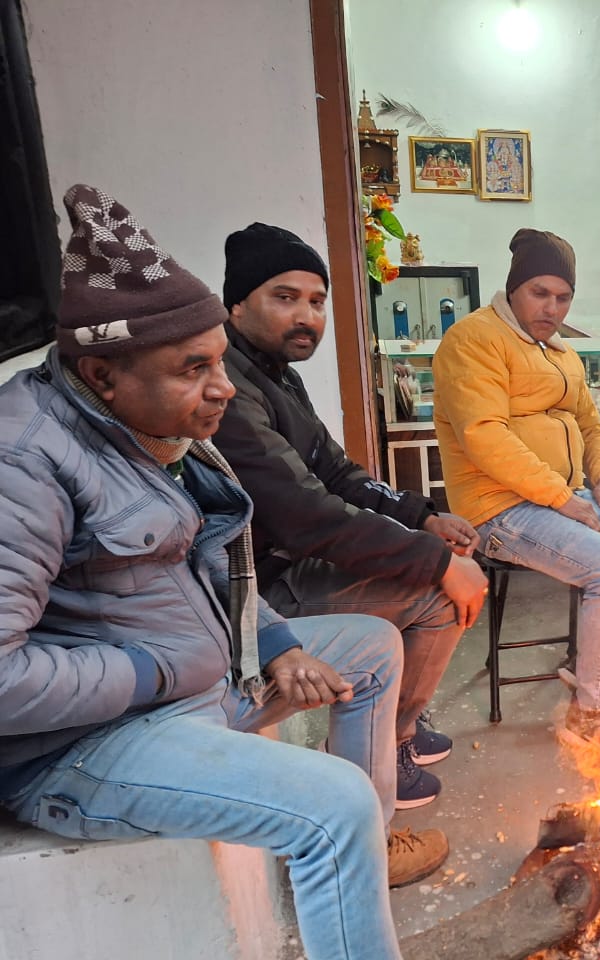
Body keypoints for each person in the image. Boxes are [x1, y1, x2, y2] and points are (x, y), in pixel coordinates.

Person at [0, 185, 443, 959]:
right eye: (195, 367)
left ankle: (367, 853)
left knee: (370, 648)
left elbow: (204, 563)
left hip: (201, 681)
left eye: (219, 361)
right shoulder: (25, 460)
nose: (223, 387)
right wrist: (152, 671)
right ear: (102, 374)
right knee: (330, 804)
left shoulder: (148, 422)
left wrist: (275, 644)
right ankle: (347, 840)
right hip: (89, 746)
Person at [213, 223, 489, 809]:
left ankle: (397, 725)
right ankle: (392, 743)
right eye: (284, 298)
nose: (308, 317)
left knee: (439, 567)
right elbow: (310, 516)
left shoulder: (272, 372)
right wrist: (435, 560)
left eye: (317, 301)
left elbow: (336, 471)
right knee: (442, 595)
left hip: (283, 561)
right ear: (236, 303)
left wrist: (421, 517)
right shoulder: (230, 391)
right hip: (252, 591)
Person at [431, 228, 600, 755]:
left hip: (562, 496)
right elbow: (484, 436)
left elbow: (590, 425)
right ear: (513, 288)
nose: (552, 307)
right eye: (540, 293)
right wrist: (564, 499)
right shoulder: (474, 339)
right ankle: (593, 714)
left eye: (563, 297)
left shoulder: (561, 353)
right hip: (497, 510)